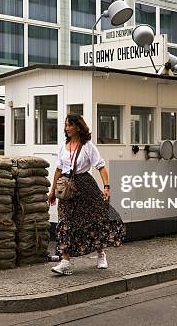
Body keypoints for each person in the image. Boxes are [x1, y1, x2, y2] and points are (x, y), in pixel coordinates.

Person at [48, 114, 125, 276]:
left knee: (94, 221)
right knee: (64, 223)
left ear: (78, 127)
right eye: (65, 125)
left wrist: (106, 187)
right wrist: (53, 192)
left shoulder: (88, 146)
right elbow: (58, 170)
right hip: (67, 189)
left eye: (70, 125)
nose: (66, 128)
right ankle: (65, 262)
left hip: (85, 186)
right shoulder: (64, 145)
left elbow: (101, 167)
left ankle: (101, 254)